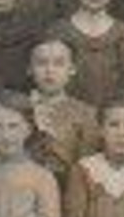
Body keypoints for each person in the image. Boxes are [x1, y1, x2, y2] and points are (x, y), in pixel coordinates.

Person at [26, 36, 99, 190]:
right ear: (30, 69)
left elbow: (87, 168)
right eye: (41, 63)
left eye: (59, 63)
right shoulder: (18, 109)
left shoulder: (86, 114)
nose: (49, 70)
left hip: (66, 191)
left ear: (72, 69)